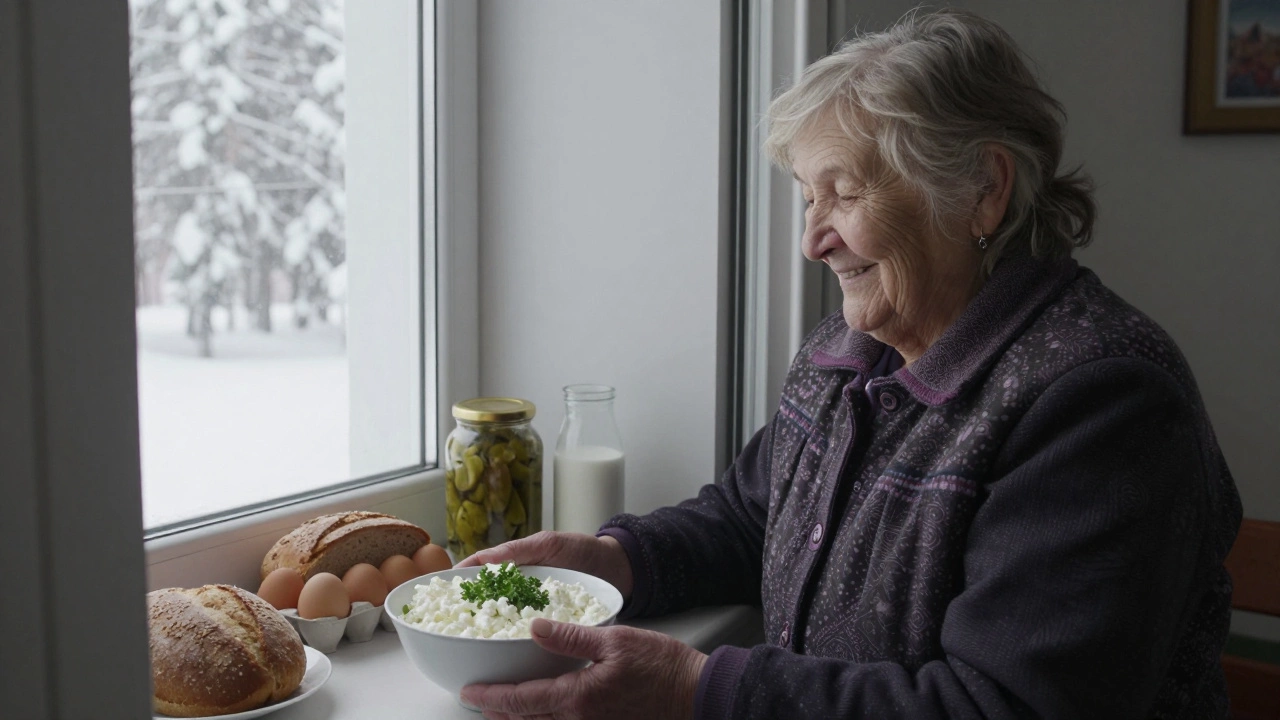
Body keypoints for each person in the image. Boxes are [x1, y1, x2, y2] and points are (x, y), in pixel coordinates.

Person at [457, 8, 1242, 719]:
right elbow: (753, 517)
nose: (812, 240)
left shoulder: (1099, 401)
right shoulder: (849, 355)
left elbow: (1005, 708)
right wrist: (614, 560)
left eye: (845, 194)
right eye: (807, 197)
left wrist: (696, 691)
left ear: (983, 191)